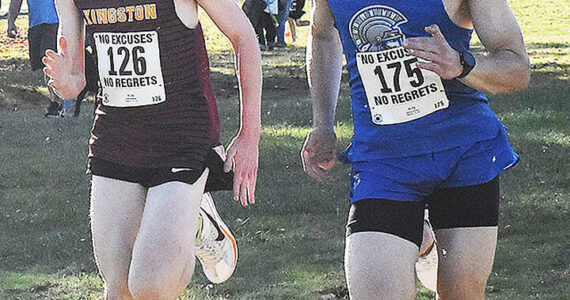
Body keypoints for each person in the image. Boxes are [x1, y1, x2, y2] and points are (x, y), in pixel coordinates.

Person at [301, 0, 530, 299]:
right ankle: (420, 239)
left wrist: (461, 64)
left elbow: (517, 68)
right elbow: (322, 34)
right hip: (384, 162)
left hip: (464, 155)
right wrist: (322, 123)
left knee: (462, 294)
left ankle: (421, 239)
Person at [43, 0, 262, 298]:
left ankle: (190, 223)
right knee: (119, 290)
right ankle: (192, 220)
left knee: (149, 286)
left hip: (182, 137)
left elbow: (243, 36)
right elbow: (75, 78)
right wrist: (64, 85)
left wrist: (250, 133)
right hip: (116, 139)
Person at [7, 0, 73, 117]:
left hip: (55, 21)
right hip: (36, 24)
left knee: (51, 62)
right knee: (44, 65)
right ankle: (57, 101)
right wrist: (11, 21)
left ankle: (62, 102)